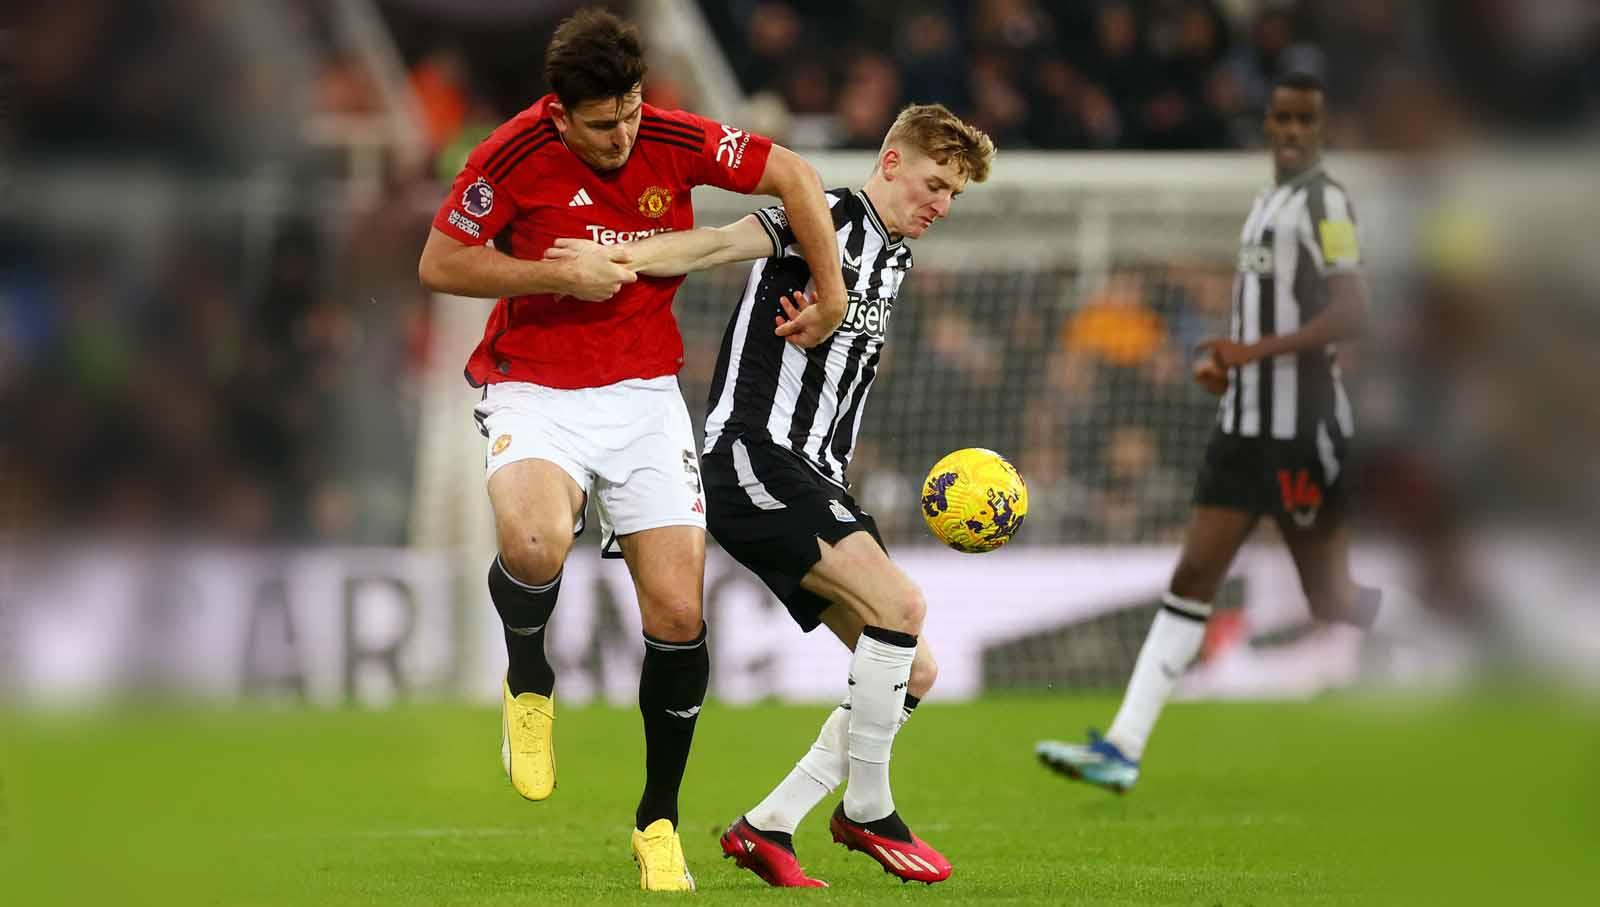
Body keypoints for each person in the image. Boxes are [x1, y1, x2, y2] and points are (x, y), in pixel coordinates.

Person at [415, 8, 847, 892]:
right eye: (603, 122)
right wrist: (553, 273)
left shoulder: (674, 135)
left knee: (679, 615)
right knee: (534, 542)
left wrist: (832, 293)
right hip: (535, 387)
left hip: (645, 395)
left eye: (632, 113)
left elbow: (797, 177)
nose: (623, 135)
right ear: (560, 113)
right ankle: (529, 680)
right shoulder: (510, 156)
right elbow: (439, 262)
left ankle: (657, 820)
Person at [552, 103, 995, 887]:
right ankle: (867, 808)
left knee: (911, 670)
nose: (942, 205)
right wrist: (618, 258)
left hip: (816, 472)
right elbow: (720, 242)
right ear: (890, 162)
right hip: (755, 457)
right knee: (902, 607)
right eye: (934, 183)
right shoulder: (823, 214)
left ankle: (769, 824)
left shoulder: (894, 259)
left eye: (954, 195)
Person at [1034, 72, 1422, 793]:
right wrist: (1229, 361)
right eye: (1282, 118)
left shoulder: (1326, 203)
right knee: (1191, 578)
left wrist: (1254, 355)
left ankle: (1448, 645)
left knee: (1330, 596)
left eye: (1308, 119)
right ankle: (1121, 746)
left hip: (1300, 428)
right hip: (1244, 424)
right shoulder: (1266, 203)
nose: (1293, 131)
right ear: (1269, 125)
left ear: (1321, 129)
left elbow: (1352, 310)